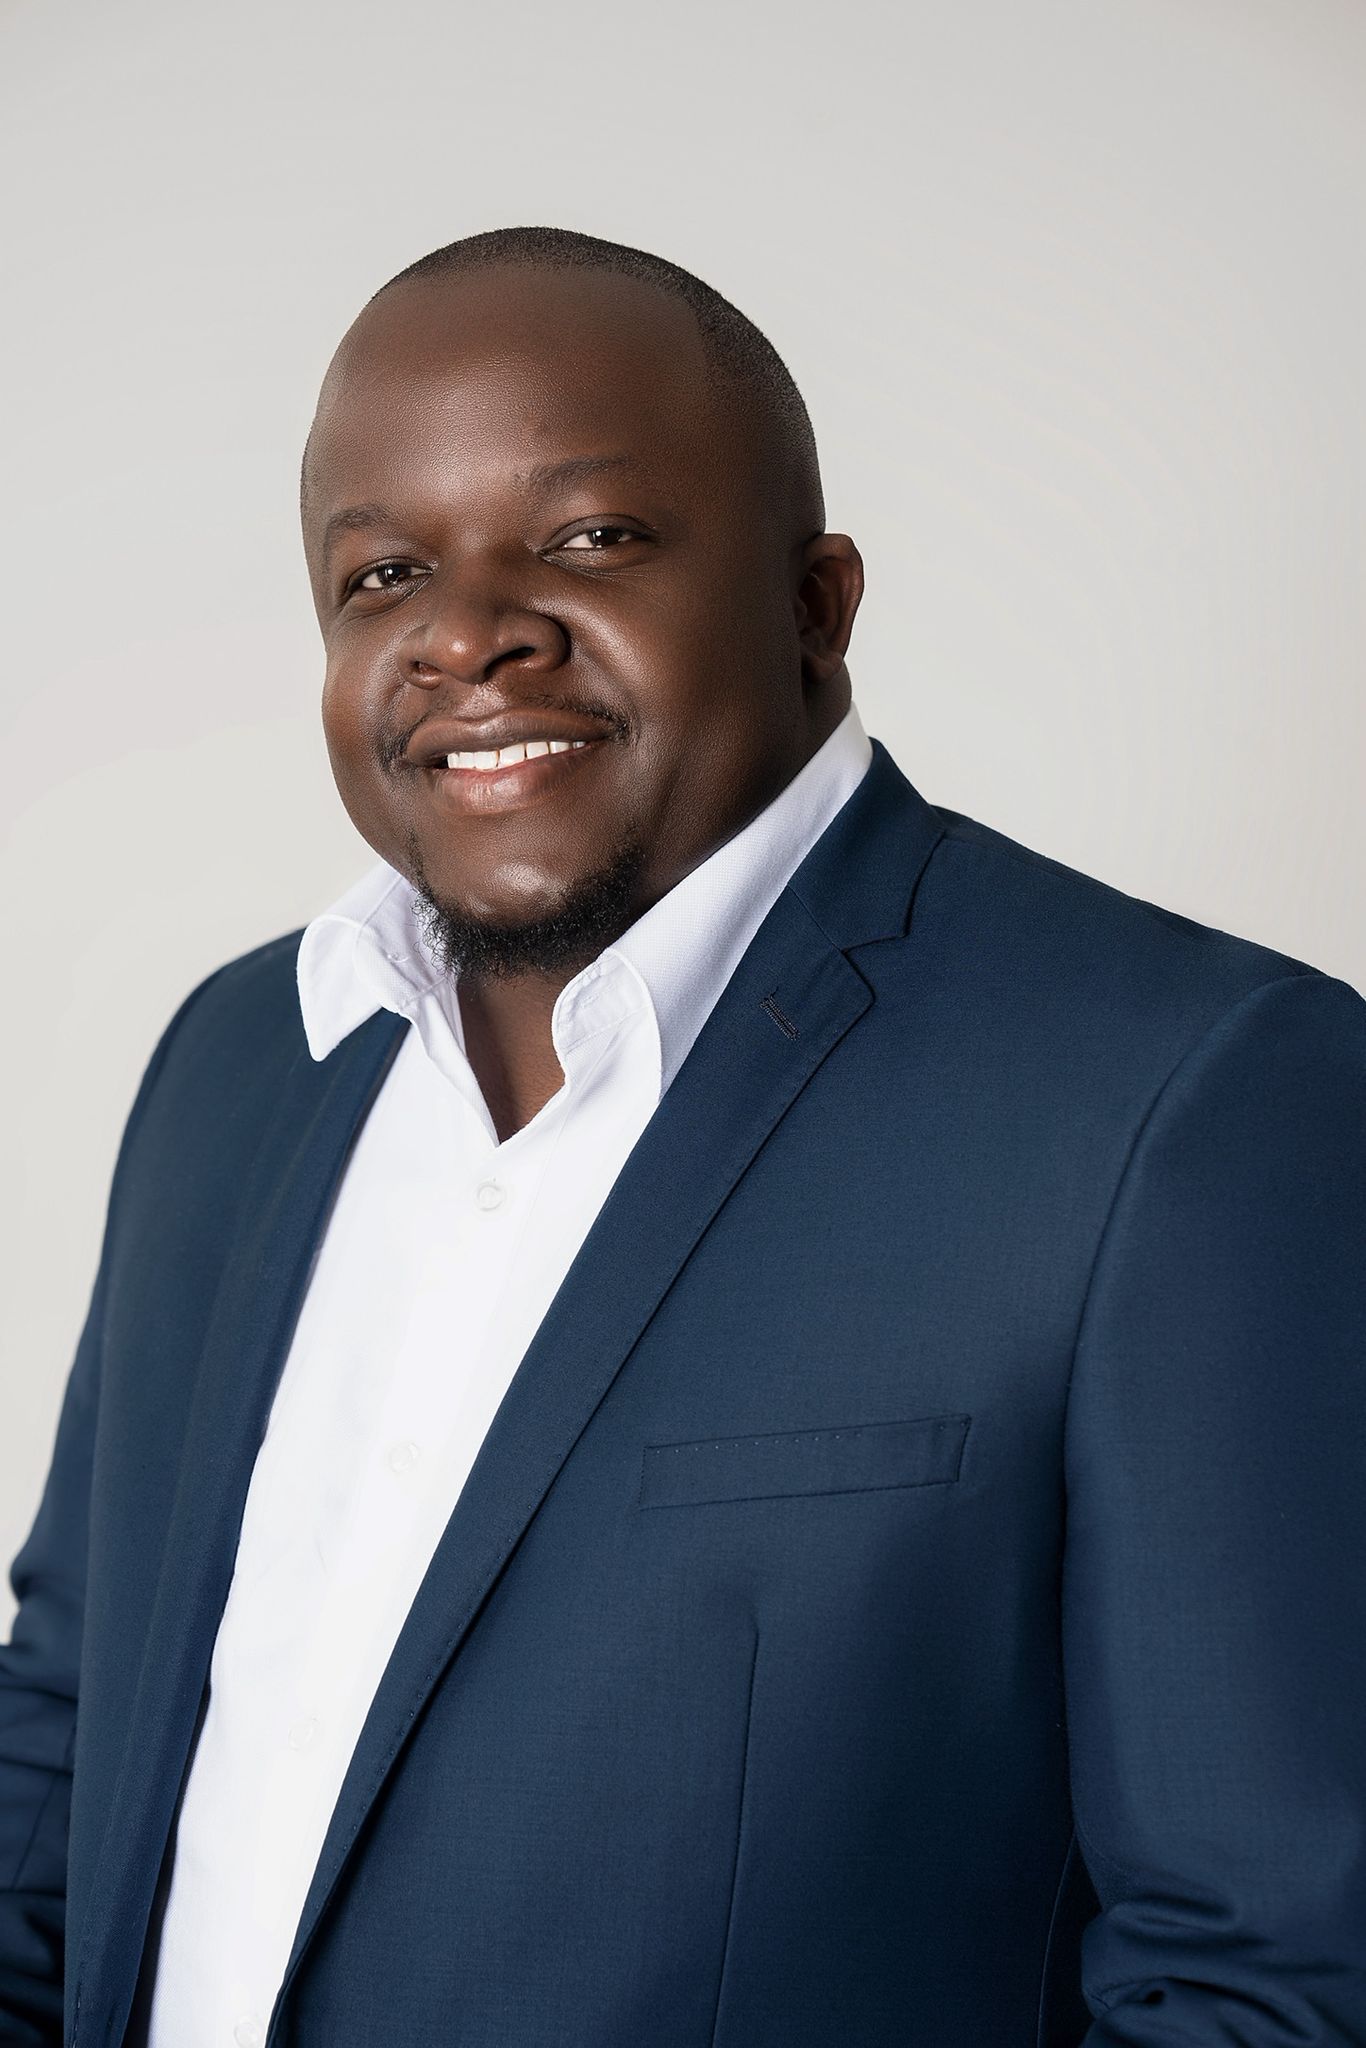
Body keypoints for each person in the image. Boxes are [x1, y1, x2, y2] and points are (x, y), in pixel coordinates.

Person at [2, 225, 1363, 2048]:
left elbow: (1271, 1975)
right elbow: (70, 1743)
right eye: (383, 572)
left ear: (817, 604)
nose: (464, 632)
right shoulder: (240, 1065)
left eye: (588, 539)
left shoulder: (1191, 1097)